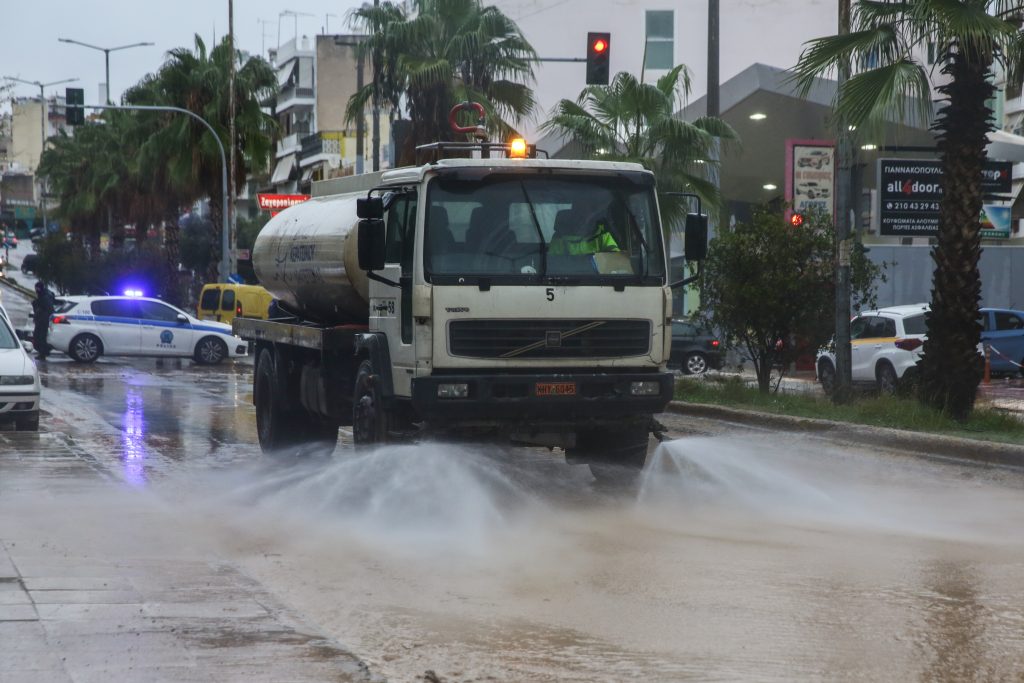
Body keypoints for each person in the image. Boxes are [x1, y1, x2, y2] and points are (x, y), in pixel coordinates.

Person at [548, 207, 619, 256]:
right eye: (578, 216)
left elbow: (615, 258)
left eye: (586, 215)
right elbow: (552, 263)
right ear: (571, 218)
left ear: (593, 218)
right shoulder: (558, 239)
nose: (583, 220)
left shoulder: (603, 236)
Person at [31, 281, 56, 360]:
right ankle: (45, 351)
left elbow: (46, 309)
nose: (36, 290)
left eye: (36, 288)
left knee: (40, 338)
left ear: (39, 288)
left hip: (42, 321)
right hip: (41, 320)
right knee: (39, 337)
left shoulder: (44, 297)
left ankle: (44, 352)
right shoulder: (45, 295)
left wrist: (35, 305)